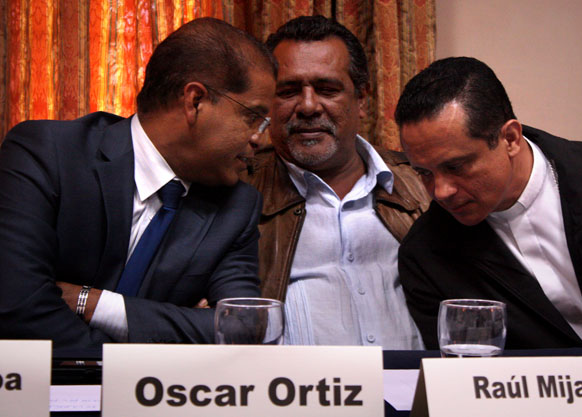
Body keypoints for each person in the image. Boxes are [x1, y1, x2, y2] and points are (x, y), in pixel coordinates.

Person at [0, 17, 276, 348]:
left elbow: (242, 331)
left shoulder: (237, 207)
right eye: (253, 117)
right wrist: (160, 335)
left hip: (158, 398)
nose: (262, 138)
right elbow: (18, 309)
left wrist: (96, 304)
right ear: (195, 102)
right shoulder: (48, 154)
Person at [395, 56, 582, 350]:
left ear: (510, 138)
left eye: (456, 167)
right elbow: (461, 378)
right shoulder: (425, 255)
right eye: (424, 173)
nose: (441, 191)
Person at [242, 16, 428, 349]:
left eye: (327, 89)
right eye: (288, 91)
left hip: (417, 393)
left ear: (362, 98)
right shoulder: (237, 194)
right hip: (295, 395)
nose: (309, 106)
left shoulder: (423, 184)